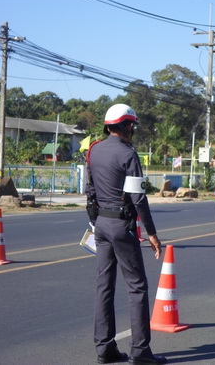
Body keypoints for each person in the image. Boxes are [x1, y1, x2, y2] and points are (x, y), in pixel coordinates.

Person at [87, 103, 167, 365]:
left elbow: (90, 191)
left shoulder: (94, 150)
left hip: (101, 224)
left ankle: (104, 348)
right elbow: (138, 198)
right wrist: (152, 233)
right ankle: (140, 351)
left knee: (104, 285)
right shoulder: (128, 154)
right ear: (127, 125)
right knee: (137, 287)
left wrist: (95, 222)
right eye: (132, 125)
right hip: (121, 225)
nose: (133, 129)